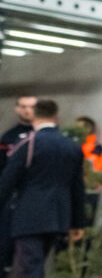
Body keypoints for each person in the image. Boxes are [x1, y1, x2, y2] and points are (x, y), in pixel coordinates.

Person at [0, 99, 85, 278]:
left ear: (35, 117)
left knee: (30, 267)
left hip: (29, 215)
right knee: (37, 263)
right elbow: (77, 187)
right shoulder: (72, 146)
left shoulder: (28, 143)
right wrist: (77, 222)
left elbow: (7, 181)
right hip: (59, 216)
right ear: (56, 116)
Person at [0, 95, 36, 278]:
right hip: (10, 199)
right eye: (23, 106)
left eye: (31, 107)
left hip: (36, 201)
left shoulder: (44, 136)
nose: (27, 110)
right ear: (17, 109)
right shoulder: (9, 137)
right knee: (4, 246)